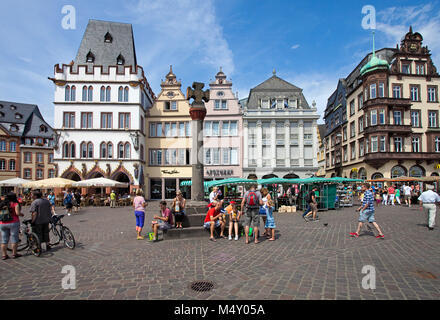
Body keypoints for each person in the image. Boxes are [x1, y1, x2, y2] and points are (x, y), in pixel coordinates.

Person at [0, 193, 24, 260]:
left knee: (4, 239)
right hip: (13, 222)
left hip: (2, 223)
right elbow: (17, 213)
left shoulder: (2, 204)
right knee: (14, 238)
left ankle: (4, 255)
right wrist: (21, 214)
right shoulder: (15, 204)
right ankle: (14, 254)